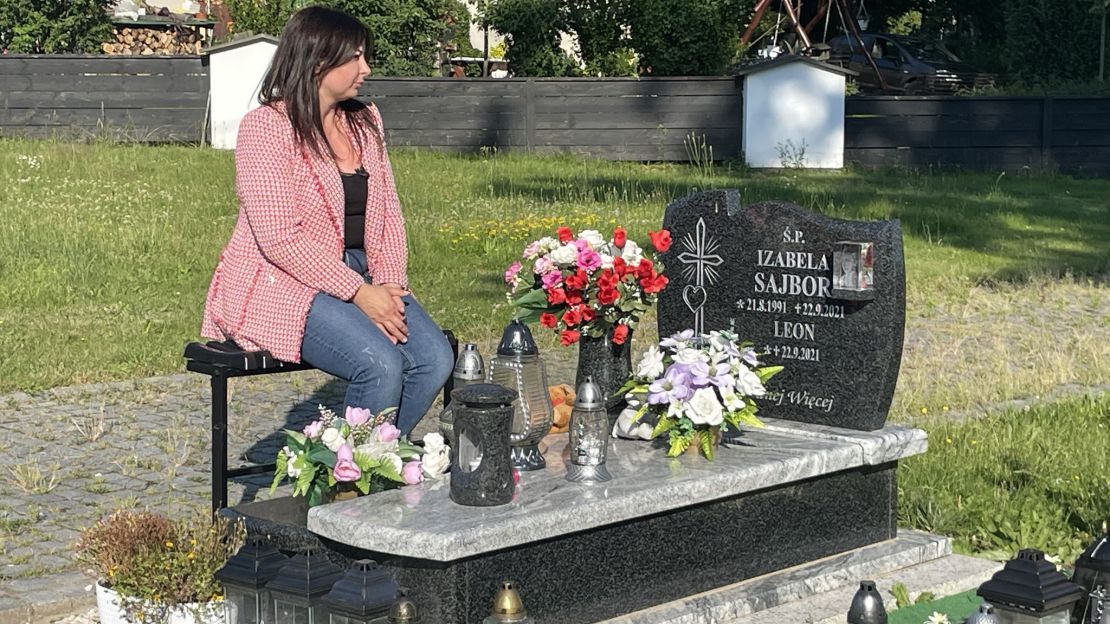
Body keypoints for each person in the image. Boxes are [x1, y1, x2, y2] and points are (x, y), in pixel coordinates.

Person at [200, 6, 453, 435]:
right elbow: (279, 238)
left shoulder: (365, 121)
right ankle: (348, 488)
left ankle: (374, 465)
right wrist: (359, 293)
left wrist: (388, 284)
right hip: (280, 282)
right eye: (354, 57)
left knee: (434, 361)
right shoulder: (266, 128)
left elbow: (387, 214)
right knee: (379, 366)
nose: (366, 68)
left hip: (362, 275)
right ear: (318, 61)